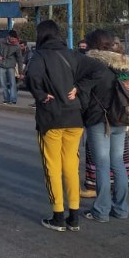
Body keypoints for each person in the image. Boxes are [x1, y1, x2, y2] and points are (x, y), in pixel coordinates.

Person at [27, 20, 97, 232]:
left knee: (52, 166)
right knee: (71, 166)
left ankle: (58, 215)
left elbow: (31, 77)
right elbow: (99, 70)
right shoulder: (72, 54)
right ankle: (74, 215)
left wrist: (40, 95)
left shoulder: (39, 56)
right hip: (74, 117)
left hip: (51, 118)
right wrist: (79, 88)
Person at [80, 29, 129, 222]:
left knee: (101, 164)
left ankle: (101, 210)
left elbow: (84, 94)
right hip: (122, 117)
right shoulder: (123, 65)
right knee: (118, 163)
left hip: (99, 119)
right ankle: (121, 208)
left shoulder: (93, 65)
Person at [0, 29, 24, 105]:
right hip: (2, 64)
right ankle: (6, 99)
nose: (14, 40)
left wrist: (21, 72)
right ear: (8, 37)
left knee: (13, 83)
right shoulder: (1, 41)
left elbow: (20, 59)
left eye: (15, 39)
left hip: (11, 65)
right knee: (3, 83)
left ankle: (13, 99)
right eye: (13, 38)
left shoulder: (17, 45)